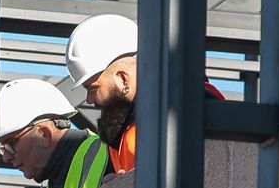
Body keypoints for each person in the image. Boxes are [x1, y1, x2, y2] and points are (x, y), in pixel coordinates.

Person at [64, 13, 225, 174]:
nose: (89, 100)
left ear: (123, 79)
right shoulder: (123, 127)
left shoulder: (186, 107)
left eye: (93, 89)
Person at [0, 78, 111, 188]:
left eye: (11, 142)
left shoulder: (106, 151)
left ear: (44, 134)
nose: (6, 157)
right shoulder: (56, 179)